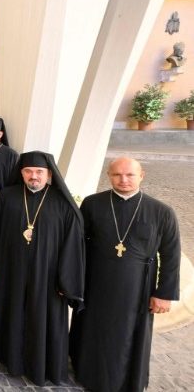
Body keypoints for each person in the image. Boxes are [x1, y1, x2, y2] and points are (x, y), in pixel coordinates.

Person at [69, 157, 181, 392]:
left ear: (142, 175)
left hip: (137, 288)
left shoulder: (161, 212)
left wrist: (164, 293)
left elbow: (171, 256)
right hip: (95, 283)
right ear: (109, 176)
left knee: (128, 335)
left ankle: (127, 380)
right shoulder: (92, 204)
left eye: (130, 175)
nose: (124, 180)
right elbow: (77, 245)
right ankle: (86, 373)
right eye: (117, 175)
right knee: (93, 330)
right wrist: (72, 281)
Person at [0, 151, 84, 387]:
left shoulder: (62, 204)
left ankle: (41, 364)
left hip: (47, 277)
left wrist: (65, 280)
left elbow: (72, 245)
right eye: (28, 171)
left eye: (39, 172)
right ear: (21, 173)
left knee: (42, 318)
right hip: (12, 270)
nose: (33, 176)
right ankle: (9, 358)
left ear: (49, 174)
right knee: (12, 311)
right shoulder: (7, 197)